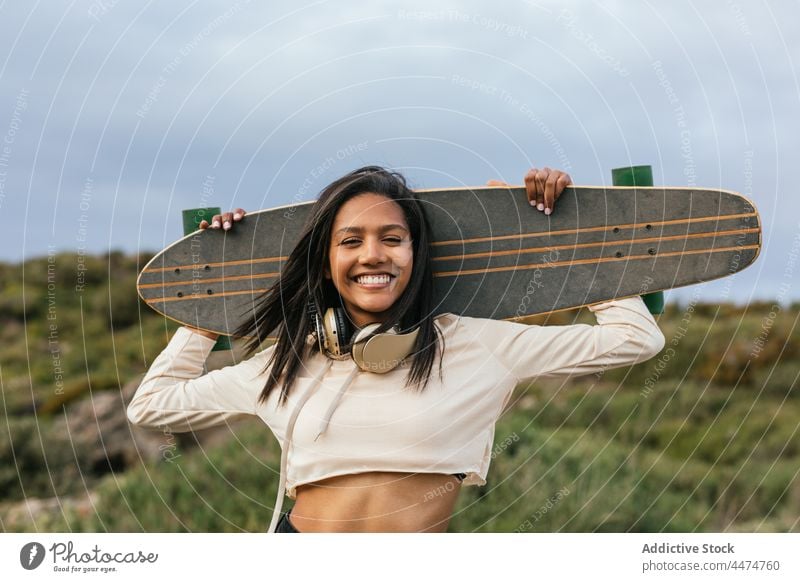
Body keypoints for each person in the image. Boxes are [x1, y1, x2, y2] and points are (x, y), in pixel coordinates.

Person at [127, 166, 665, 533]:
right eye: (350, 240)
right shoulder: (287, 363)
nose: (371, 255)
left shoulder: (477, 343)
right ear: (326, 259)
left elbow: (636, 339)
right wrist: (218, 293)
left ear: (416, 252)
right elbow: (151, 405)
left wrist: (561, 232)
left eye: (392, 237)